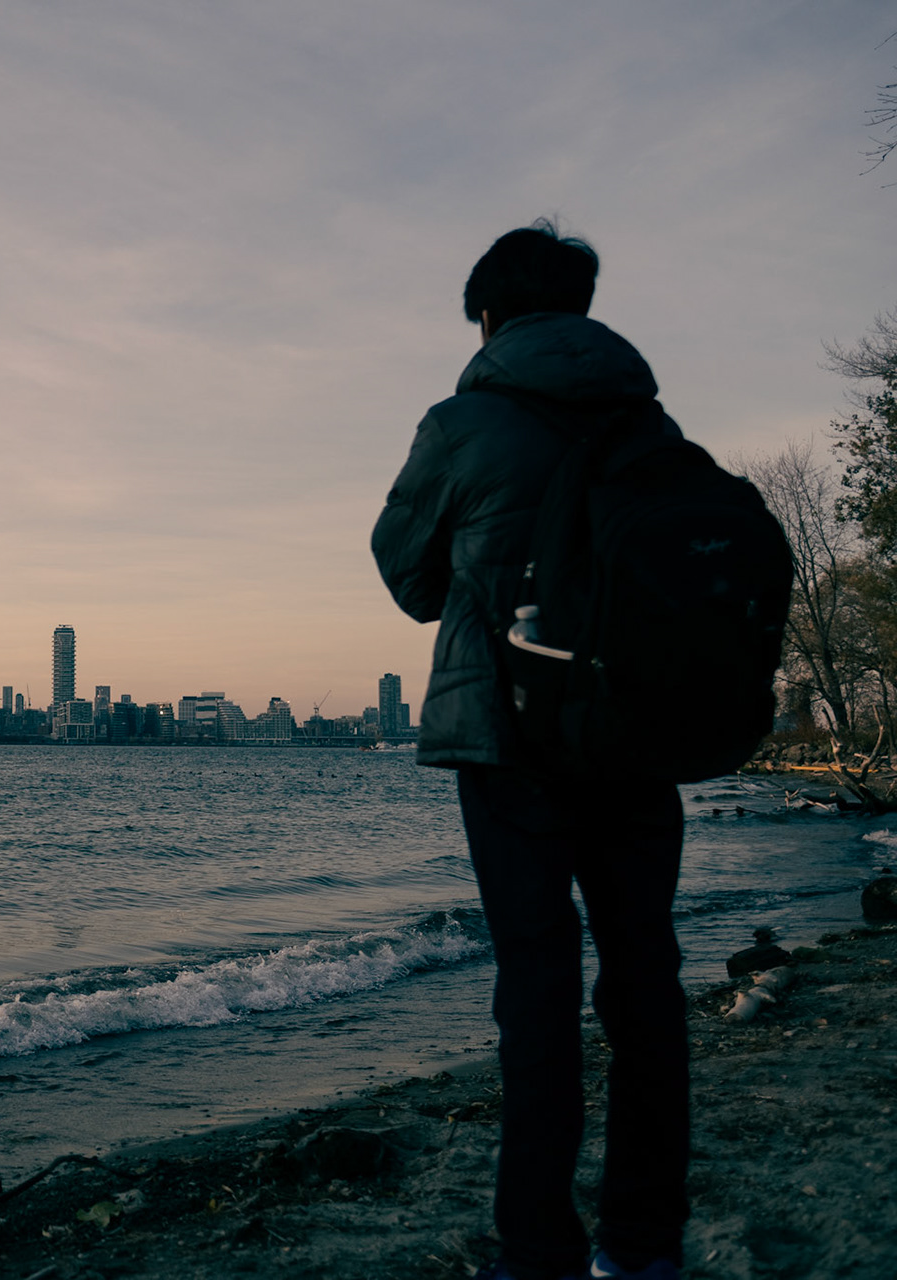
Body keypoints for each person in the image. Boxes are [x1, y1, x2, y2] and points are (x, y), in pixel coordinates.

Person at [370, 221, 688, 1280]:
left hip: (510, 741)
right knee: (646, 983)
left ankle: (538, 1248)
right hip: (639, 738)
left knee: (538, 989)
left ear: (489, 317)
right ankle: (643, 1246)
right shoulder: (655, 423)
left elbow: (409, 579)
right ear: (585, 310)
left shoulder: (464, 422)